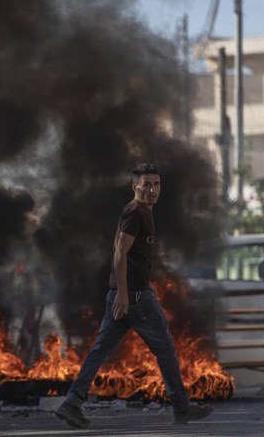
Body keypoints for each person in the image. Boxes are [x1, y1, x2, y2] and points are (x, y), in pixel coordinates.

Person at [55, 163, 213, 428]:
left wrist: (120, 292)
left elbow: (124, 251)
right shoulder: (135, 212)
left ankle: (71, 403)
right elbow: (119, 253)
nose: (152, 190)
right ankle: (182, 408)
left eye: (156, 184)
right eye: (146, 184)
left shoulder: (138, 212)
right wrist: (125, 294)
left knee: (99, 351)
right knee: (165, 350)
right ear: (135, 186)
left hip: (127, 294)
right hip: (135, 299)